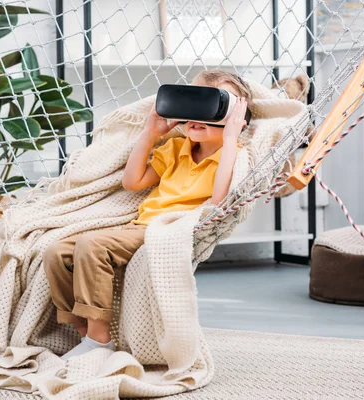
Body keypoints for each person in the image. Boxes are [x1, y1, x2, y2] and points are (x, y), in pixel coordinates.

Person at [42, 70, 252, 360]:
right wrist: (150, 133)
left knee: (91, 246)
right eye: (192, 103)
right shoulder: (177, 148)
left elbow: (219, 200)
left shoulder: (234, 155)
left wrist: (230, 138)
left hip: (166, 231)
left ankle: (100, 342)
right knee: (56, 252)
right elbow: (133, 181)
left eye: (213, 105)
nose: (197, 115)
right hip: (136, 226)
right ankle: (84, 333)